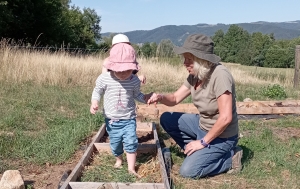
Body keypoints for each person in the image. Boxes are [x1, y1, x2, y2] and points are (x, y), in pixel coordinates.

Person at [147, 34, 243, 178]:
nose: (184, 63)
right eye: (184, 58)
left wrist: (202, 142)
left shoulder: (220, 76)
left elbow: (226, 118)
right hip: (202, 125)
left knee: (188, 172)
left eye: (189, 59)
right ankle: (197, 151)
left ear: (201, 60)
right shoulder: (196, 74)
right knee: (167, 118)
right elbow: (174, 98)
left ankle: (231, 158)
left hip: (223, 135)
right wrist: (160, 97)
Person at [90, 42, 151, 178]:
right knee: (115, 144)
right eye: (119, 70)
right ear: (112, 67)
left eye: (127, 70)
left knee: (131, 142)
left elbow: (137, 95)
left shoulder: (134, 80)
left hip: (129, 118)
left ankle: (131, 168)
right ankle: (119, 159)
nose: (123, 74)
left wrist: (146, 98)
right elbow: (97, 91)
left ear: (133, 68)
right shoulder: (105, 78)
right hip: (112, 120)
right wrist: (95, 102)